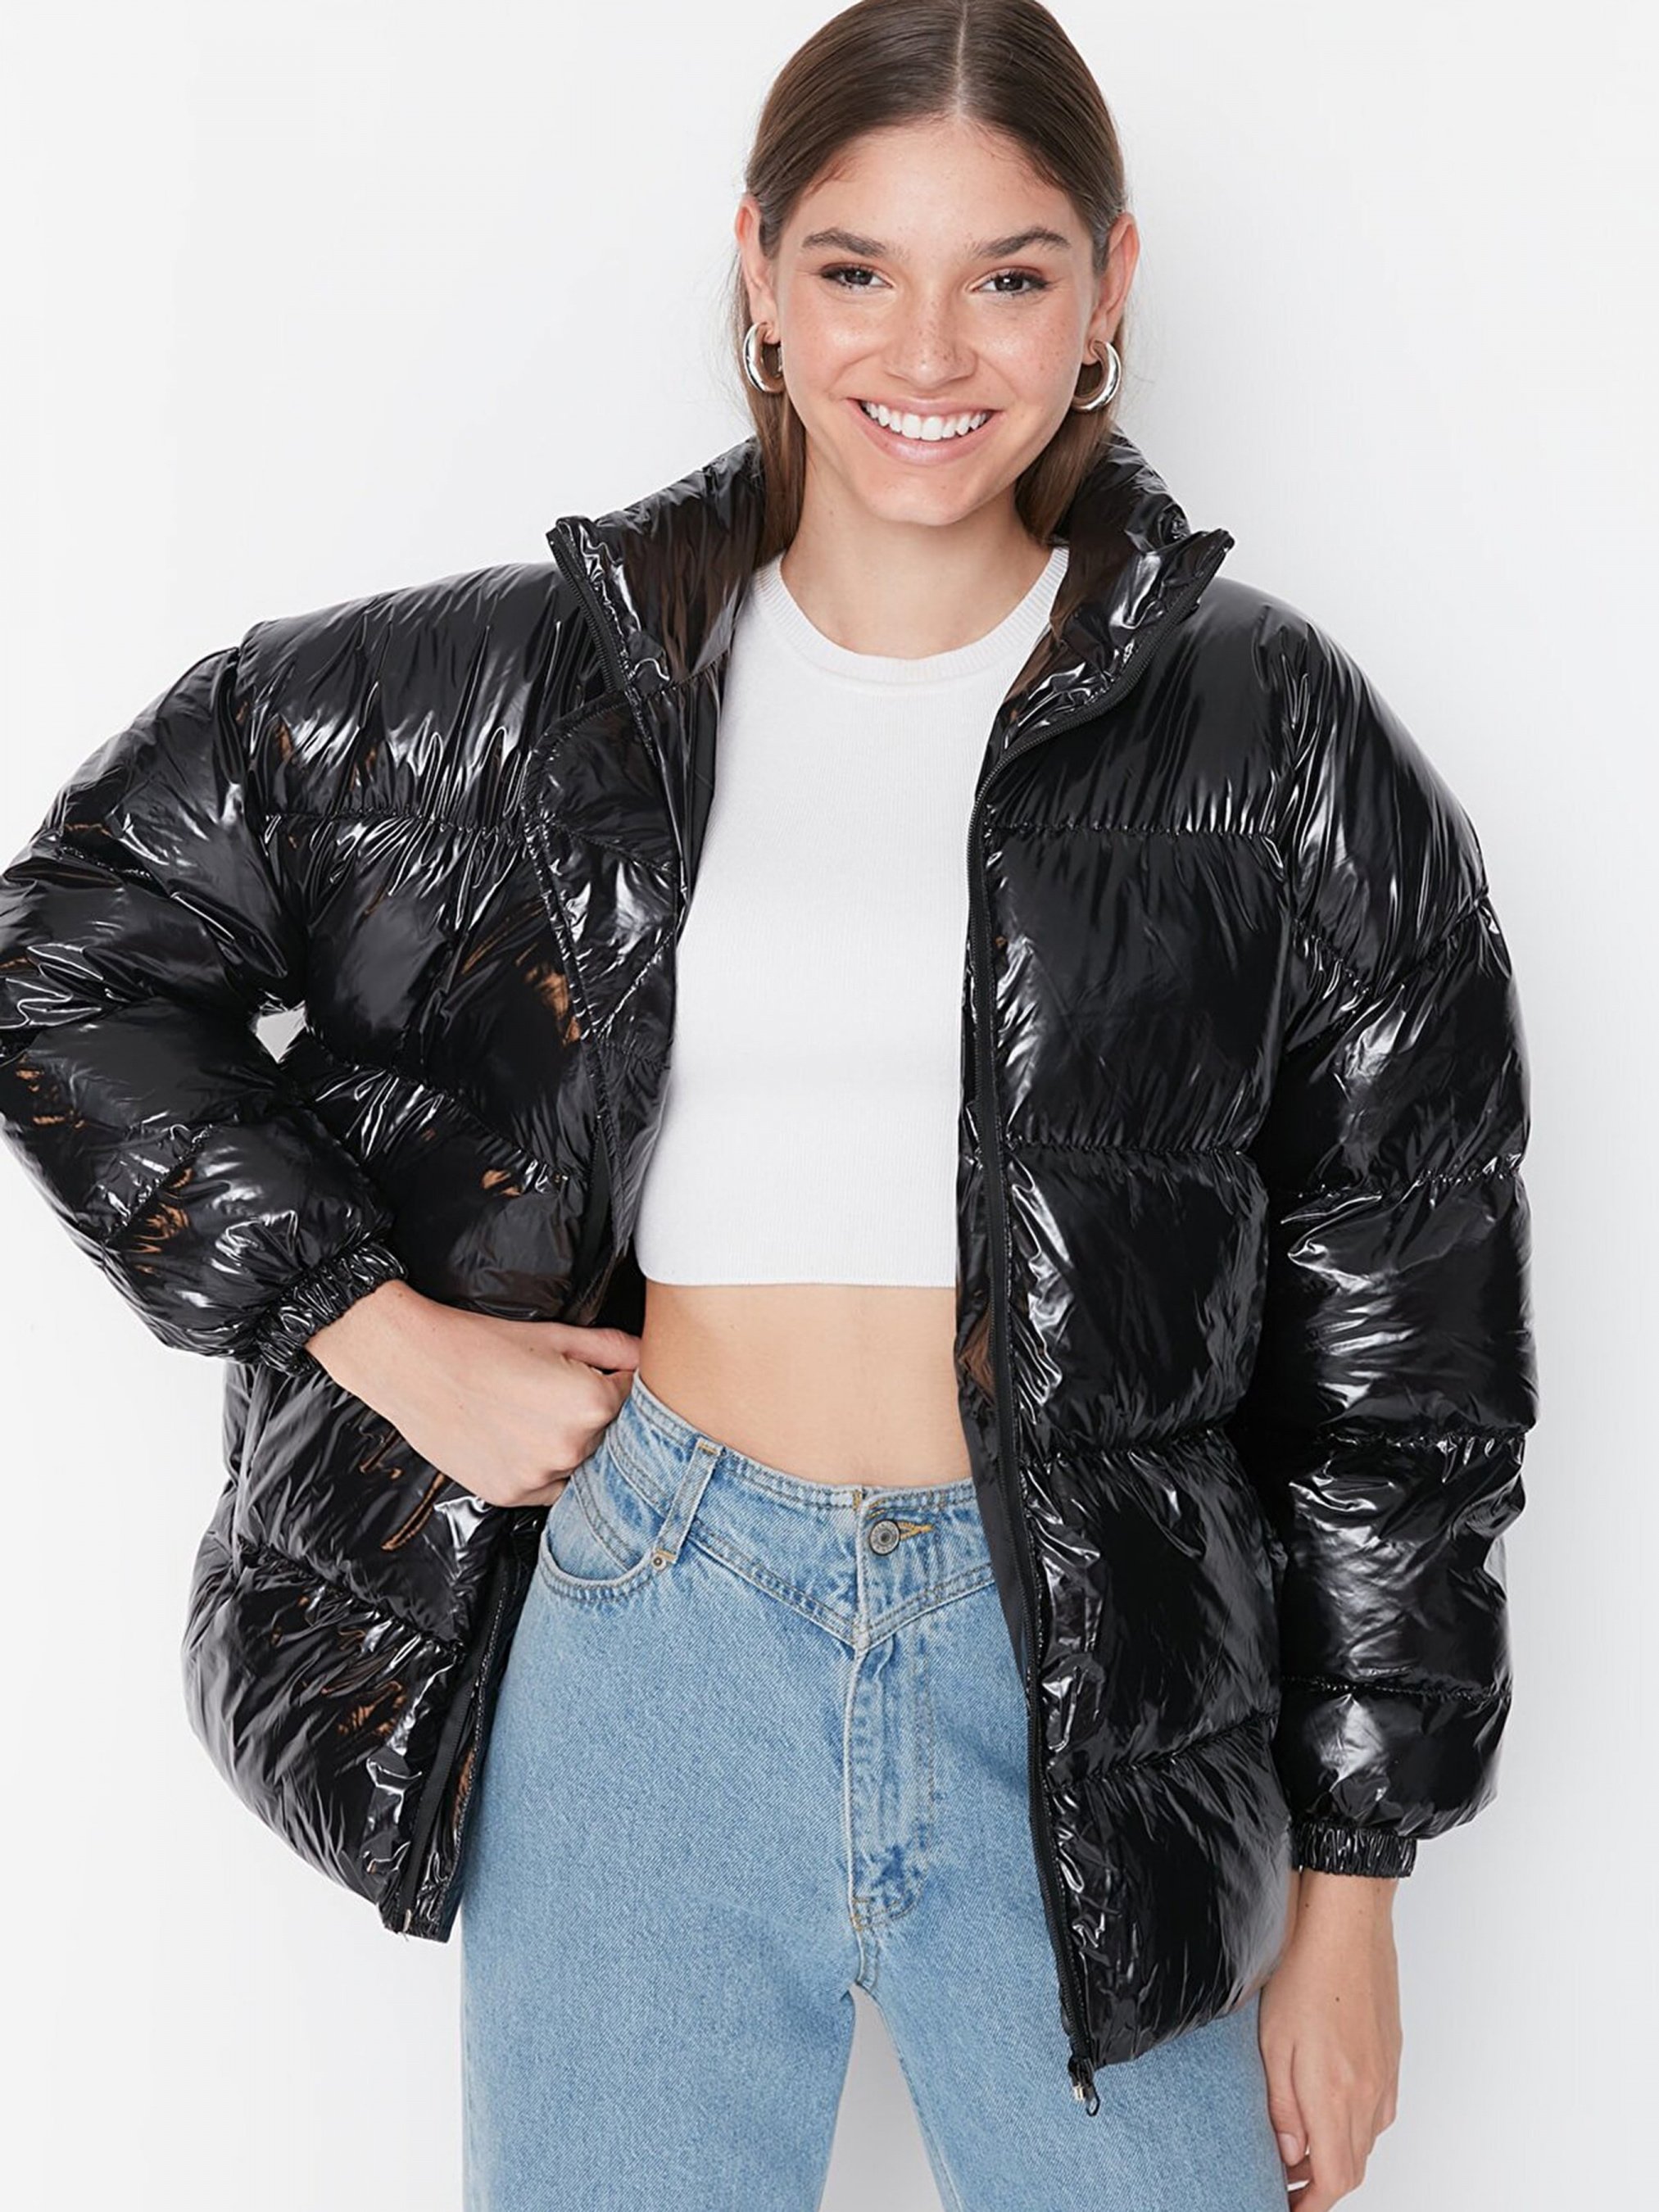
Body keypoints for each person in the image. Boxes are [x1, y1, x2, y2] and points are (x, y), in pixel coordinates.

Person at [0, 4, 1537, 2209]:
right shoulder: (512, 694)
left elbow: (1405, 1341)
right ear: (757, 269)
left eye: (1009, 273)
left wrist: (1358, 1884)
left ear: (1107, 287)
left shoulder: (1271, 738)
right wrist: (375, 1332)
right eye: (854, 267)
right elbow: (68, 950)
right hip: (650, 1623)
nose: (929, 348)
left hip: (1088, 1660)